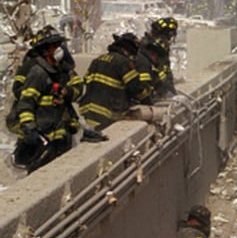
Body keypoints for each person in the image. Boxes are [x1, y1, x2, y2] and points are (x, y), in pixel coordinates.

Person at [12, 27, 83, 173]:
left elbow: (66, 103)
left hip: (58, 137)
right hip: (41, 138)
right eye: (54, 46)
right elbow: (26, 102)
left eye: (59, 45)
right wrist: (29, 126)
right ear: (45, 51)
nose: (59, 49)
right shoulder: (38, 72)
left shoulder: (60, 70)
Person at [79, 33, 152, 130]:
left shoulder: (98, 60)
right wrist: (148, 102)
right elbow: (136, 88)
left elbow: (86, 80)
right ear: (127, 50)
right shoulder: (124, 63)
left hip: (88, 113)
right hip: (107, 115)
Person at [141, 17, 178, 98]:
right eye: (167, 37)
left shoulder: (161, 50)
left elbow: (166, 71)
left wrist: (171, 89)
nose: (168, 41)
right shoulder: (146, 49)